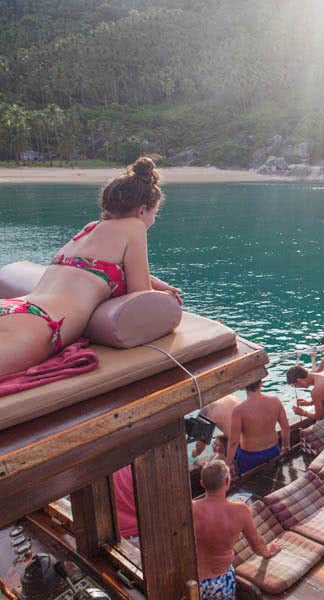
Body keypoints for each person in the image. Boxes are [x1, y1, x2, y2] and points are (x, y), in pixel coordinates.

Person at [0, 157, 182, 377]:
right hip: (42, 324)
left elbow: (98, 272)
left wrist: (157, 282)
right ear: (142, 210)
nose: (153, 220)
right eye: (155, 214)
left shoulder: (90, 229)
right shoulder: (134, 227)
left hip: (16, 307)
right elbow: (140, 295)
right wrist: (167, 298)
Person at [192, 460, 281, 600]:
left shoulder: (190, 508)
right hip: (220, 580)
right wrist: (268, 551)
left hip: (193, 581)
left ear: (202, 484)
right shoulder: (240, 510)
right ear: (227, 481)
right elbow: (257, 544)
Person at [225, 380, 289, 476]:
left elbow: (234, 441)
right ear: (261, 384)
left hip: (250, 456)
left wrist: (228, 463)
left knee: (249, 486)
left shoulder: (239, 410)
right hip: (273, 450)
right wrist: (285, 445)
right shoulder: (275, 401)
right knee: (275, 477)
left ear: (244, 386)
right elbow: (285, 427)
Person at [192, 394, 241, 460]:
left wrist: (196, 452)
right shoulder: (229, 396)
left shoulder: (206, 411)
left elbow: (201, 444)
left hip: (241, 446)